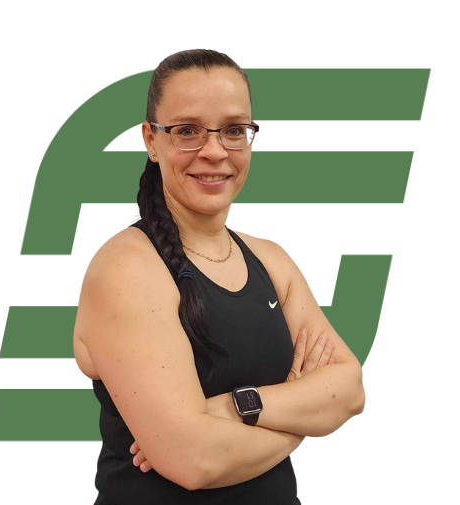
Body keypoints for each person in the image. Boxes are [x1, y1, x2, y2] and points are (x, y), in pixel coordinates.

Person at [73, 48, 365, 504]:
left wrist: (235, 407)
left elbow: (348, 390)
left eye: (233, 131)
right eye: (187, 131)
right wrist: (301, 418)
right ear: (151, 140)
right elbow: (195, 461)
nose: (213, 151)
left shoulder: (271, 260)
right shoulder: (127, 269)